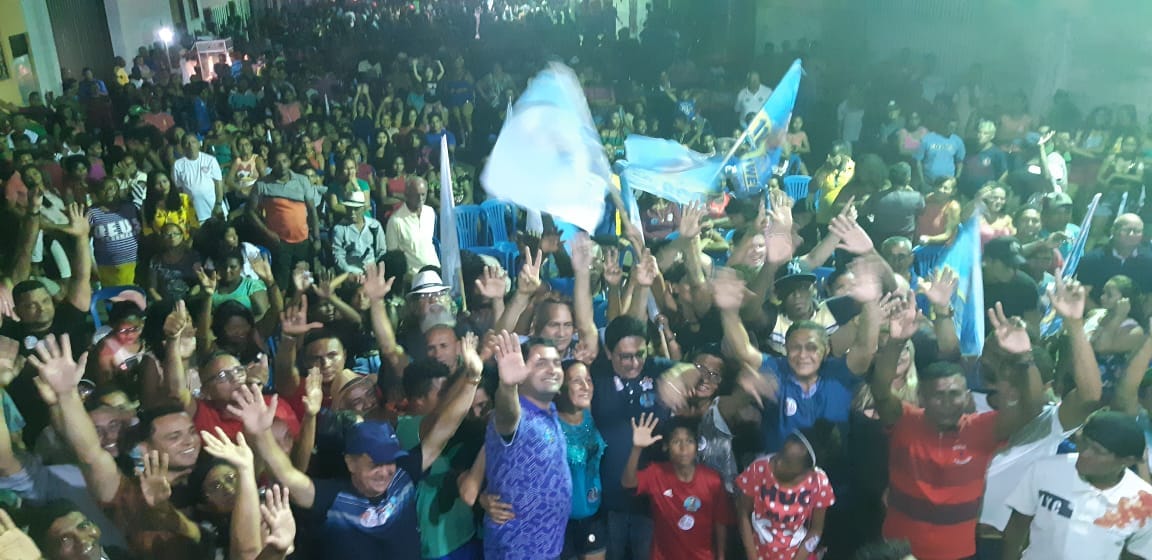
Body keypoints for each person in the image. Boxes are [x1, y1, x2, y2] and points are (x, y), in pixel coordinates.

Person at [230, 329, 479, 559]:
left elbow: (445, 428)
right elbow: (288, 477)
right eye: (374, 463)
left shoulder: (402, 474)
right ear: (350, 462)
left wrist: (473, 379)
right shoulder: (334, 498)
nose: (385, 471)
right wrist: (261, 434)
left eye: (389, 461)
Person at [871, 298, 1044, 560]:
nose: (947, 403)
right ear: (922, 397)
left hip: (958, 554)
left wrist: (1025, 357)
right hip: (900, 551)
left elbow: (1032, 408)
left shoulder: (981, 429)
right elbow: (881, 391)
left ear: (967, 397)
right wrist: (896, 341)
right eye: (938, 395)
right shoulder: (904, 420)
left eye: (955, 394)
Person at [0, 204, 92, 447]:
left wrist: (82, 237)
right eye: (31, 305)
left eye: (44, 301)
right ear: (17, 312)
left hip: (82, 406)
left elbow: (82, 277)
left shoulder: (67, 318)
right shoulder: (9, 336)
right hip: (36, 422)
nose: (41, 308)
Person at [1002, 412, 1152, 559]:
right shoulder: (1046, 470)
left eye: (1097, 451)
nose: (1085, 453)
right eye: (1085, 443)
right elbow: (1016, 527)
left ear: (1128, 461)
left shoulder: (1144, 502)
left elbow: (1137, 554)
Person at [482, 332, 572, 559]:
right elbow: (507, 415)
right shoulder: (516, 415)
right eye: (540, 363)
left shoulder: (550, 410)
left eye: (557, 363)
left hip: (549, 547)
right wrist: (507, 386)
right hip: (517, 550)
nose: (552, 369)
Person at [622, 415, 732, 560]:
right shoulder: (656, 473)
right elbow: (628, 483)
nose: (683, 448)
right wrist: (637, 449)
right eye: (676, 441)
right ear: (666, 446)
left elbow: (720, 521)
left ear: (697, 446)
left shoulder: (713, 480)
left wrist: (721, 556)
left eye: (689, 441)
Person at [736, 420, 839, 560]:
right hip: (758, 551)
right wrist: (752, 556)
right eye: (779, 456)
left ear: (807, 471)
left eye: (787, 463)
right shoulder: (759, 469)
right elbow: (743, 513)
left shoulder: (819, 482)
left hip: (797, 554)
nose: (778, 463)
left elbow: (815, 531)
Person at [248, 149, 321, 285]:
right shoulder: (262, 184)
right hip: (279, 242)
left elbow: (312, 211)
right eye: (277, 162)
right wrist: (268, 233)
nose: (282, 165)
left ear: (290, 162)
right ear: (270, 164)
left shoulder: (302, 181)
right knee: (282, 283)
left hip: (303, 241)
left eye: (284, 161)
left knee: (304, 282)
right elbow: (250, 212)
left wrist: (316, 238)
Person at [1078, 214, 1152, 303]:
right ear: (1113, 231)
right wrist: (1100, 311)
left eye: (1137, 231)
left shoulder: (1149, 262)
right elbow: (1083, 294)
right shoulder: (1092, 260)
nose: (1131, 234)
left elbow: (1149, 296)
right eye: (1126, 230)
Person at [386, 177, 439, 277]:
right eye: (416, 195)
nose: (420, 198)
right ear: (407, 195)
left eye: (423, 194)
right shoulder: (395, 221)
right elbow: (393, 257)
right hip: (414, 276)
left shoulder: (430, 212)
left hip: (435, 271)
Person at [332, 190, 388, 275]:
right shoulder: (339, 229)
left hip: (372, 271)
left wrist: (375, 269)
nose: (352, 212)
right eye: (349, 208)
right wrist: (349, 271)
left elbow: (381, 251)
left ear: (363, 209)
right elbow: (338, 256)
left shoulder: (375, 225)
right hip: (350, 272)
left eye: (356, 209)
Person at [172, 135, 224, 223]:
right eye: (187, 143)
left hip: (214, 210)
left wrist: (218, 204)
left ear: (199, 144)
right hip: (194, 214)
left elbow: (218, 184)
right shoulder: (177, 165)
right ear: (183, 147)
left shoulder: (210, 160)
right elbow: (179, 190)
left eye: (193, 142)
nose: (190, 145)